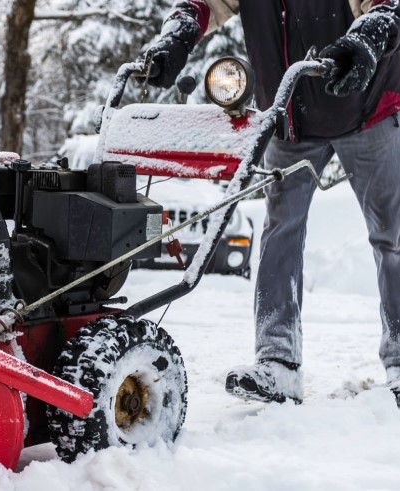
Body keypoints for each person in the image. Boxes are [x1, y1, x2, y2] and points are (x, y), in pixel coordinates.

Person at [143, 0, 400, 407]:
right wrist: (178, 36)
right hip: (289, 117)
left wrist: (369, 35)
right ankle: (277, 362)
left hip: (364, 107)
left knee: (393, 234)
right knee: (280, 233)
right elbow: (204, 5)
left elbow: (385, 5)